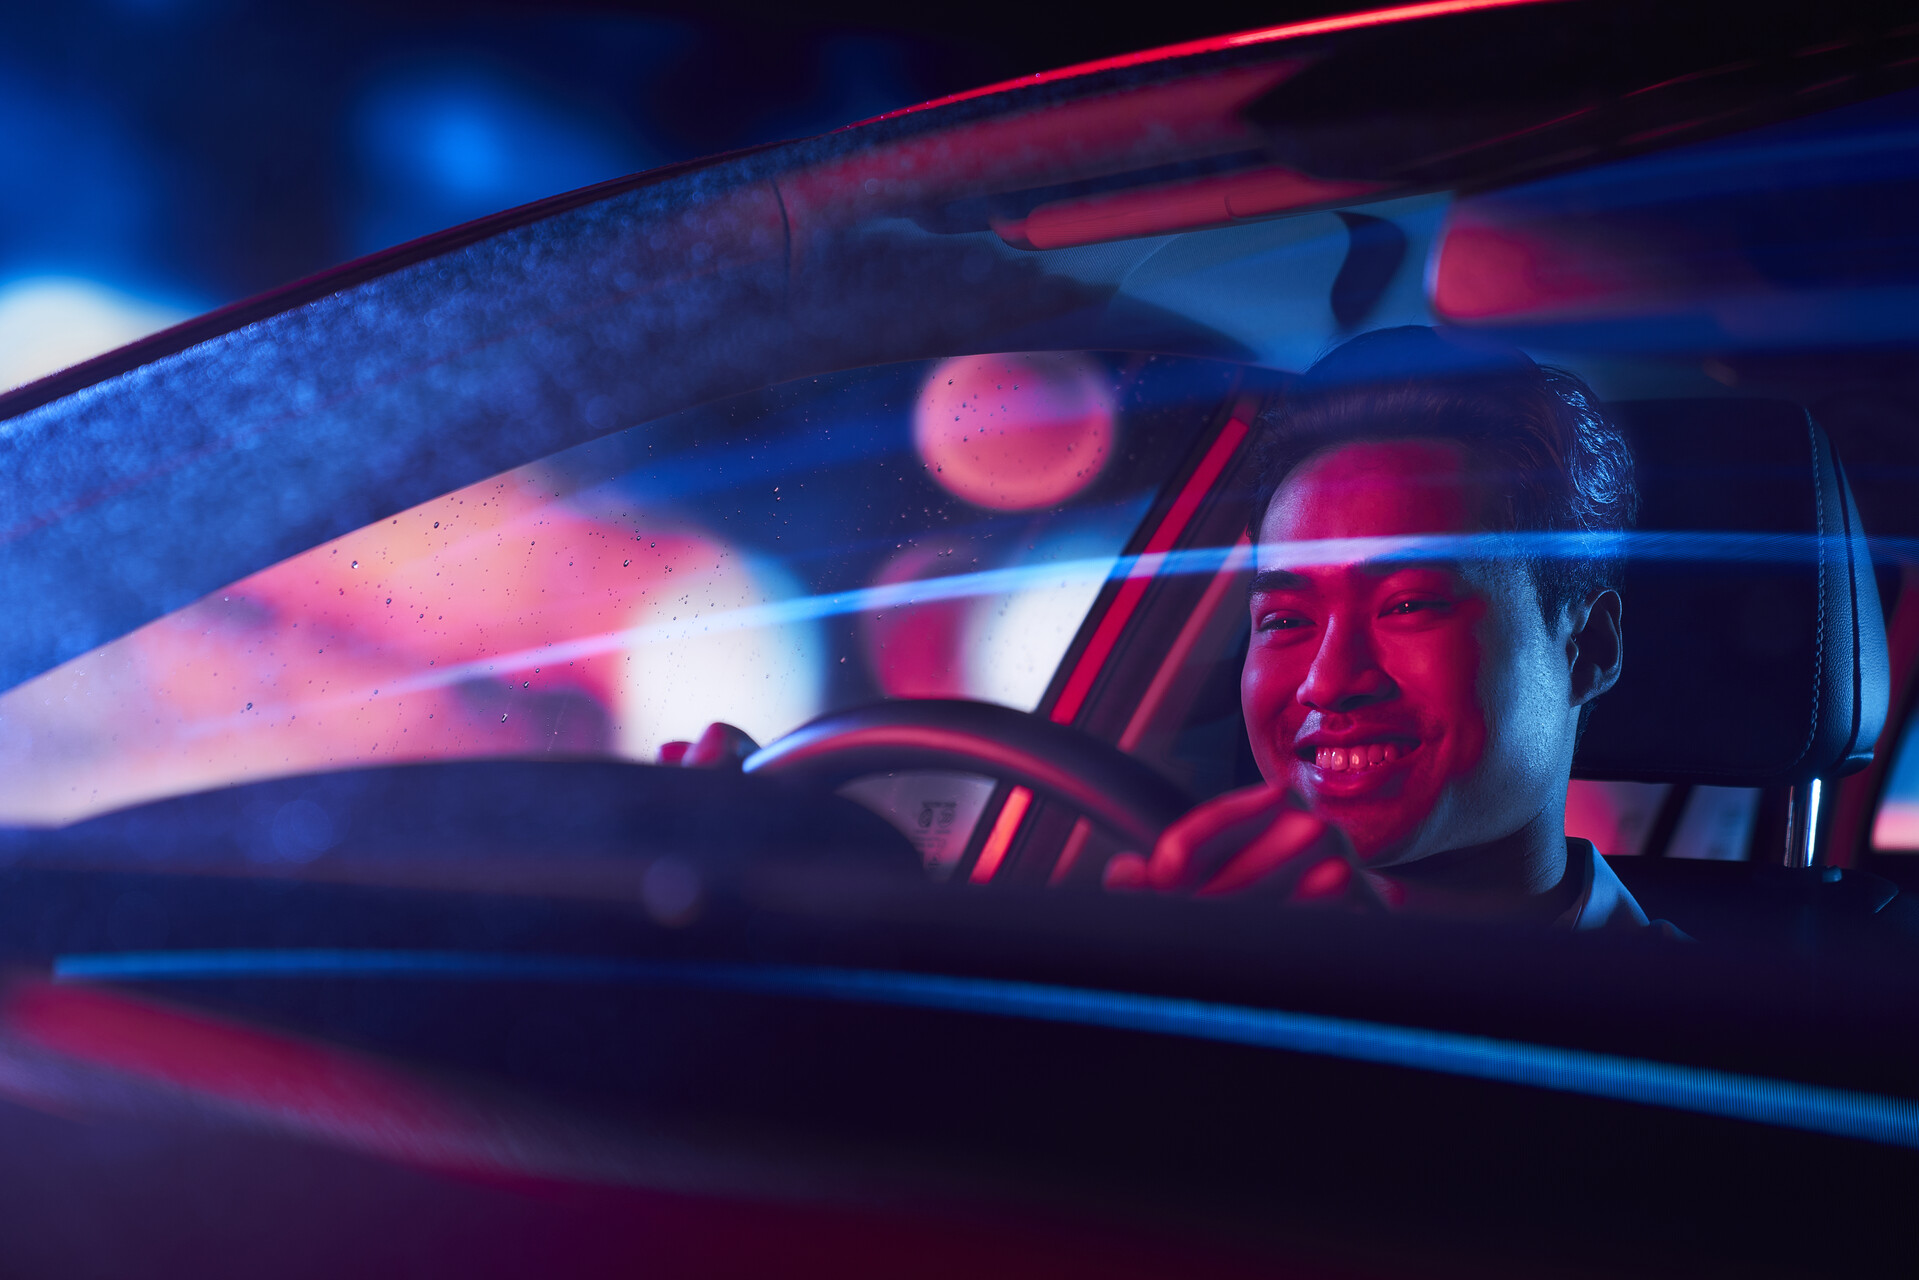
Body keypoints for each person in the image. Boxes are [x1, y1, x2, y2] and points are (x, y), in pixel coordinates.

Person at [1105, 326, 1668, 931]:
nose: (1327, 682)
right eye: (1286, 619)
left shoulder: (1691, 997)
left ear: (1586, 648)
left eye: (1408, 606)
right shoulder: (1173, 954)